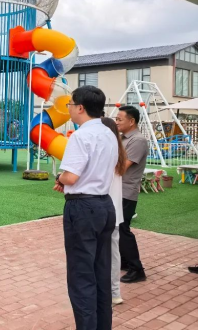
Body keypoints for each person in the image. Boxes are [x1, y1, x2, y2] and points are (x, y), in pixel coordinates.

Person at [54, 86, 117, 329]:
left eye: (70, 104)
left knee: (81, 276)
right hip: (104, 205)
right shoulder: (109, 133)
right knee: (101, 272)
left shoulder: (81, 136)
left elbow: (71, 176)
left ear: (80, 107)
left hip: (83, 208)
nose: (69, 109)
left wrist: (60, 178)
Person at [115, 105, 149, 283]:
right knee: (117, 228)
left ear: (132, 121)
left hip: (126, 192)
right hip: (117, 190)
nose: (117, 122)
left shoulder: (138, 141)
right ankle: (126, 262)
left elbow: (122, 167)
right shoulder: (121, 138)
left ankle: (137, 269)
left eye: (119, 119)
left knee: (122, 229)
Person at [101, 117, 128, 306]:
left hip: (103, 209)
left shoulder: (105, 154)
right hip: (114, 211)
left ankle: (109, 292)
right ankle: (114, 292)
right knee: (113, 253)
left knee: (102, 254)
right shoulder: (118, 153)